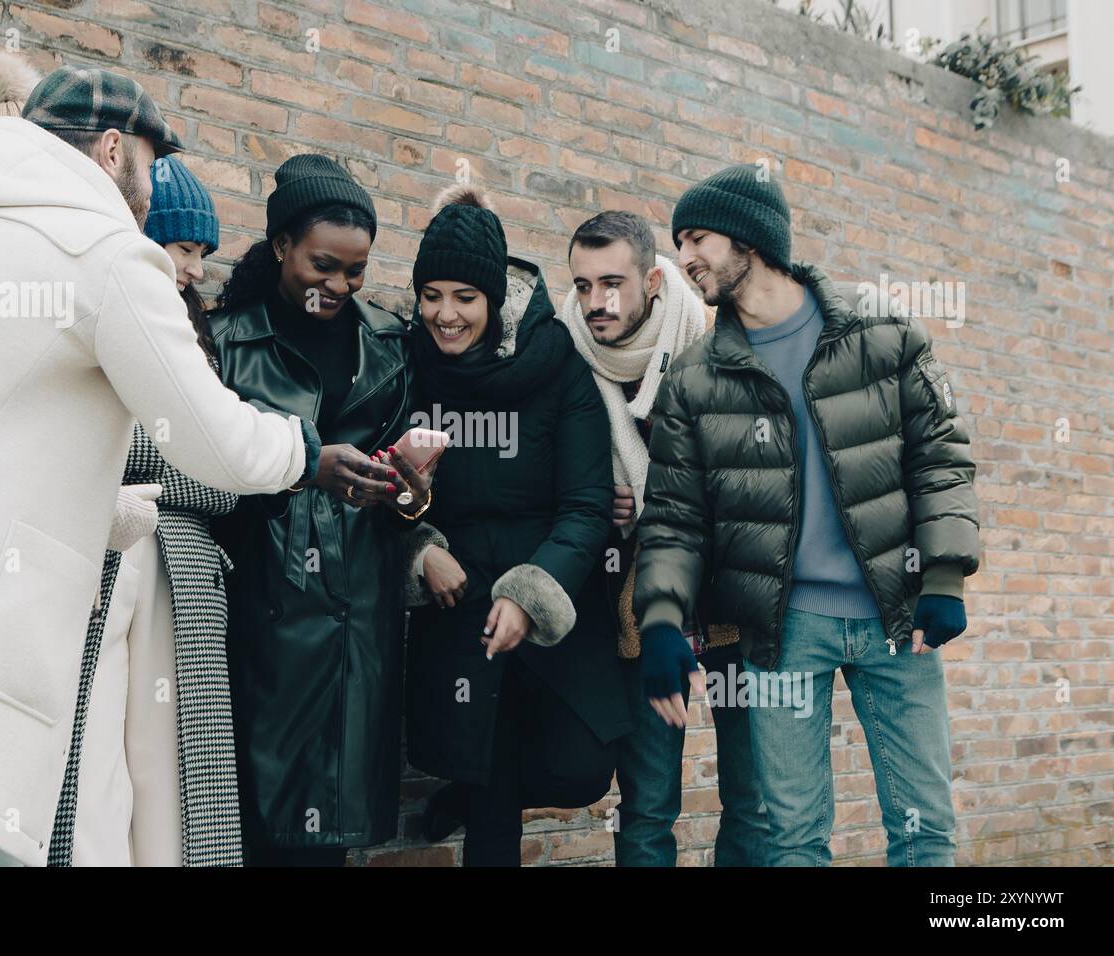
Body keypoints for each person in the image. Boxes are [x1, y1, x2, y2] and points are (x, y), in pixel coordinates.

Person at [0, 67, 317, 867]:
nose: (153, 192)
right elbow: (212, 441)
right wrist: (308, 449)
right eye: (151, 168)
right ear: (113, 150)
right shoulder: (104, 253)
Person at [634, 163, 980, 866]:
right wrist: (663, 620)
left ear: (751, 240)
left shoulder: (880, 334)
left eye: (697, 237)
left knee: (925, 831)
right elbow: (673, 517)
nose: (684, 258)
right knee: (791, 842)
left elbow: (940, 456)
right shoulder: (694, 380)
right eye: (680, 242)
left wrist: (944, 571)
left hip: (896, 621)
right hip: (784, 630)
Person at [208, 154, 431, 867]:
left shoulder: (390, 346)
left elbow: (399, 490)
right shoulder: (228, 343)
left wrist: (411, 495)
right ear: (280, 246)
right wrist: (303, 473)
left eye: (356, 271)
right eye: (323, 265)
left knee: (325, 844)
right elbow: (207, 488)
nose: (339, 286)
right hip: (262, 619)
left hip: (358, 624)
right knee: (248, 829)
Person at [404, 185, 631, 867]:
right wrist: (419, 546)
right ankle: (479, 796)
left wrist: (530, 593)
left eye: (465, 298)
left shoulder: (558, 366)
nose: (446, 315)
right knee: (488, 772)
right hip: (460, 608)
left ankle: (474, 795)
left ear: (494, 298)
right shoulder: (408, 366)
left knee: (581, 770)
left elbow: (588, 504)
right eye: (432, 295)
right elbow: (385, 491)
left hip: (554, 601)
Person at [49, 155, 249, 867]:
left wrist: (140, 463)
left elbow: (225, 476)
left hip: (181, 577)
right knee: (90, 771)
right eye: (184, 248)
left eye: (202, 254)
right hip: (96, 564)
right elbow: (70, 446)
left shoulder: (197, 337)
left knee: (172, 780)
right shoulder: (92, 304)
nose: (196, 269)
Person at [559, 209, 770, 867]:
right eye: (584, 285)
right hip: (641, 602)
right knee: (647, 807)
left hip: (734, 589)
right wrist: (604, 500)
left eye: (613, 283)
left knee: (754, 798)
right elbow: (553, 476)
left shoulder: (718, 342)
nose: (597, 302)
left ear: (652, 281)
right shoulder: (566, 352)